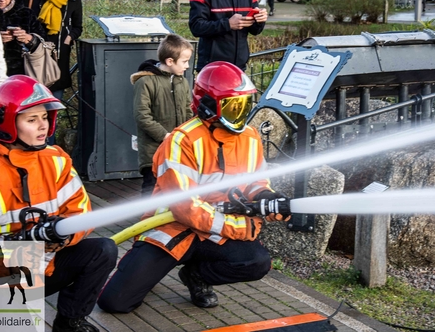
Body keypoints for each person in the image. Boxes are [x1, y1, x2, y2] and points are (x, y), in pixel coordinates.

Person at [97, 61, 290, 313]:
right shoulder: (182, 141)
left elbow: (255, 182)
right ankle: (144, 269)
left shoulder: (250, 137)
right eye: (234, 107)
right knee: (115, 303)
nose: (241, 115)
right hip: (171, 229)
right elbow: (184, 207)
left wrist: (267, 197)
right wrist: (241, 227)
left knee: (256, 262)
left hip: (214, 232)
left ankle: (196, 276)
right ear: (209, 106)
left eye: (245, 105)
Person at [0, 75, 118, 332]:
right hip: (1, 277)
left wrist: (61, 233)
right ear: (6, 123)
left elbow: (81, 210)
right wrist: (10, 250)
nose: (43, 125)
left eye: (45, 117)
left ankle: (70, 321)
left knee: (102, 250)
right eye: (32, 119)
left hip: (47, 264)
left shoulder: (57, 160)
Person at [22, 0, 83, 144]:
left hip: (58, 61)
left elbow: (78, 26)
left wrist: (68, 38)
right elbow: (21, 18)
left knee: (51, 111)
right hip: (34, 59)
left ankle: (49, 152)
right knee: (30, 111)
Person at [131, 34, 194, 196]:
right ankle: (148, 218)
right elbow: (142, 115)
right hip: (153, 149)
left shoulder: (183, 82)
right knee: (151, 188)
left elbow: (188, 111)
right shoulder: (145, 82)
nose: (187, 66)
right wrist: (164, 135)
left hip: (177, 147)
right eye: (184, 61)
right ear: (170, 61)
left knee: (176, 187)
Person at [189, 0, 267, 72]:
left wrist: (260, 20)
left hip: (239, 67)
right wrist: (228, 24)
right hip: (212, 68)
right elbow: (196, 27)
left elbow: (255, 31)